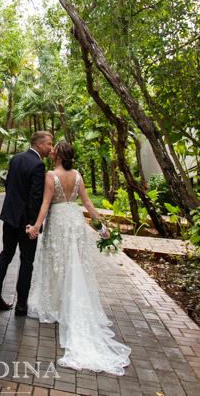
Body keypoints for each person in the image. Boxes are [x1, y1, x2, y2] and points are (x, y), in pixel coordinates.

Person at [25, 141, 132, 374]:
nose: (51, 152)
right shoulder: (78, 175)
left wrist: (35, 226)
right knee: (75, 264)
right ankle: (66, 303)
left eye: (55, 151)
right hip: (74, 220)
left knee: (57, 263)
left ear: (59, 156)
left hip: (59, 222)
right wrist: (101, 228)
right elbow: (87, 202)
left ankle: (58, 305)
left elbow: (45, 203)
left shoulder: (51, 175)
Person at [0, 131, 53, 316]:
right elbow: (35, 198)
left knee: (6, 254)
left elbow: (9, 186)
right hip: (26, 223)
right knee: (26, 261)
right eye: (48, 144)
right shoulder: (38, 165)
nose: (51, 147)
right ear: (38, 145)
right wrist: (34, 225)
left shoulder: (15, 159)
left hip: (9, 217)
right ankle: (21, 304)